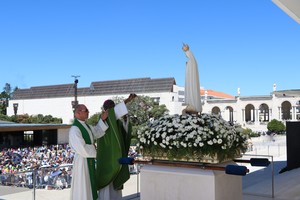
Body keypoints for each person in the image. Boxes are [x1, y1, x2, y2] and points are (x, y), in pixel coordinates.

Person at [96, 94, 136, 200]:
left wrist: (126, 121)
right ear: (105, 109)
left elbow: (124, 133)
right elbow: (114, 112)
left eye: (112, 106)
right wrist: (128, 100)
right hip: (106, 156)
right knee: (106, 185)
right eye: (109, 107)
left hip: (115, 154)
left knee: (115, 186)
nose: (111, 109)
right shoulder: (102, 119)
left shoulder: (116, 121)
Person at [69, 104, 109, 200]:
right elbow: (81, 148)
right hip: (82, 162)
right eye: (86, 110)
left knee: (89, 186)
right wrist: (95, 149)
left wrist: (102, 120)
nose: (88, 112)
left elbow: (97, 132)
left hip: (89, 160)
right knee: (83, 187)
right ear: (78, 113)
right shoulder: (75, 129)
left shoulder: (86, 126)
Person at [182, 43, 202, 114]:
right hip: (190, 78)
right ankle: (191, 104)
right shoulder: (192, 61)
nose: (186, 56)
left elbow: (190, 70)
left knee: (191, 88)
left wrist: (187, 65)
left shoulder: (191, 61)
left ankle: (192, 104)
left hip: (191, 80)